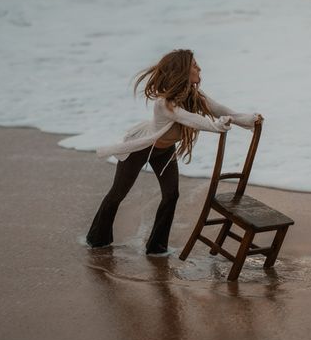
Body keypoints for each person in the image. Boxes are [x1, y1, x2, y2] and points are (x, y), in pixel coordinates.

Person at [86, 48, 263, 255]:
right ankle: (97, 239)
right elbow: (190, 119)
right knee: (117, 194)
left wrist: (250, 119)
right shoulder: (164, 104)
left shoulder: (195, 95)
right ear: (182, 71)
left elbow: (222, 111)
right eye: (194, 65)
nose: (199, 68)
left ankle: (157, 247)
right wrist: (217, 127)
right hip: (140, 149)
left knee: (171, 195)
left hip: (164, 151)